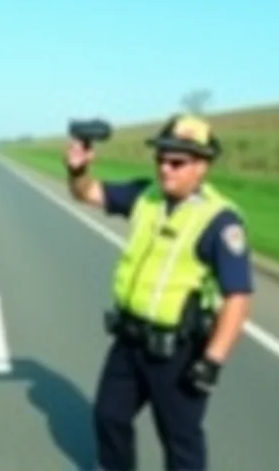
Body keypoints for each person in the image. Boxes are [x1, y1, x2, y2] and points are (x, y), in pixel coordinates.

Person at [65, 113, 254, 471]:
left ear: (202, 166)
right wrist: (77, 170)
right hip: (130, 341)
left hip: (178, 355)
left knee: (180, 442)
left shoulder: (220, 222)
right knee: (109, 417)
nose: (165, 168)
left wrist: (212, 361)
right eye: (161, 158)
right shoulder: (144, 196)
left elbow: (239, 298)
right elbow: (87, 192)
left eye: (177, 161)